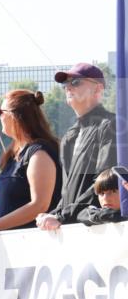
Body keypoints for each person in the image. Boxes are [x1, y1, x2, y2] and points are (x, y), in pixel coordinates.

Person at [0, 90, 61, 239]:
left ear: (15, 116)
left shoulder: (40, 154)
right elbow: (14, 204)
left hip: (33, 246)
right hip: (9, 248)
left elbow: (40, 205)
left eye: (1, 112)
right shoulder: (14, 154)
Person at [36, 63, 117, 230]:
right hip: (74, 231)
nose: (68, 87)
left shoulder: (111, 125)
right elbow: (68, 193)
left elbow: (104, 184)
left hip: (102, 232)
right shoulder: (69, 137)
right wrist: (54, 213)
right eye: (66, 83)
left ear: (98, 89)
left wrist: (61, 216)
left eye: (76, 82)